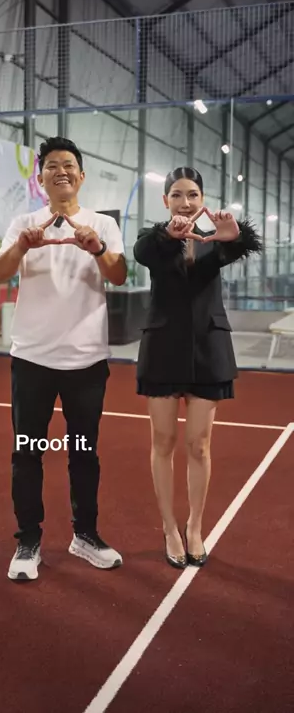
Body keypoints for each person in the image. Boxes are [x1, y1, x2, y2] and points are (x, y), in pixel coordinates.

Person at [0, 136, 128, 581]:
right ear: (41, 178)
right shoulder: (24, 223)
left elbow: (119, 276)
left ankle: (85, 535)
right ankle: (28, 541)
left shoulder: (102, 224)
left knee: (83, 452)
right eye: (52, 165)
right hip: (32, 358)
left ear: (81, 176)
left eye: (68, 164)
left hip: (86, 361)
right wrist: (22, 246)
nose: (61, 171)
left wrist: (97, 248)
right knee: (27, 453)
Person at [133, 167, 262, 570]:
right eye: (176, 194)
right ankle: (169, 527)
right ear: (165, 200)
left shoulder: (215, 239)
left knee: (199, 445)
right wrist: (168, 235)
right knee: (163, 442)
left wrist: (234, 236)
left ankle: (194, 527)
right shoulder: (154, 240)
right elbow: (142, 252)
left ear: (202, 199)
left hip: (208, 348)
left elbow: (238, 246)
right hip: (163, 349)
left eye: (192, 195)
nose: (185, 202)